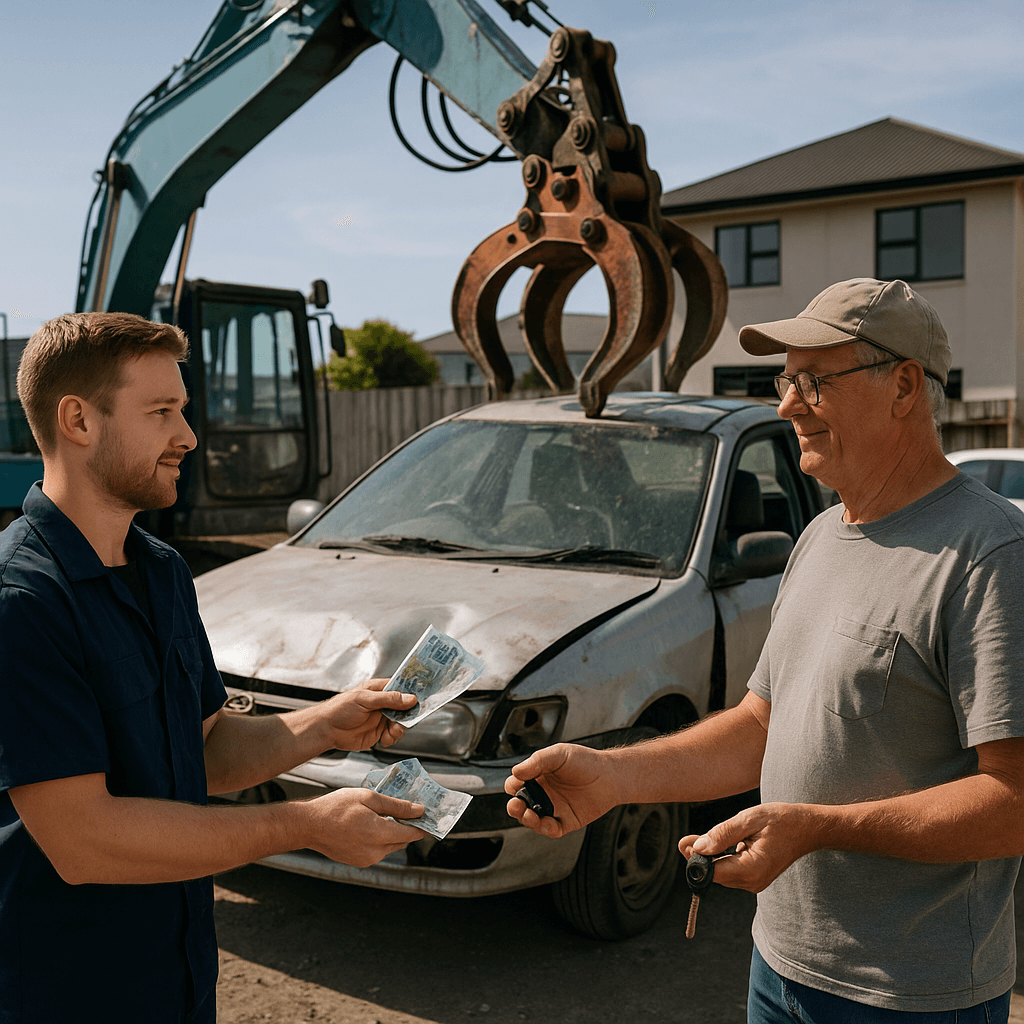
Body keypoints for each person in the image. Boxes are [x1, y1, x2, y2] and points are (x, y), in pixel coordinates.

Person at [506, 278, 1024, 1022]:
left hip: (912, 998)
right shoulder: (819, 537)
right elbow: (761, 724)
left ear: (904, 386)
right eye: (787, 380)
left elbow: (1013, 801)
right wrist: (612, 776)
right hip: (778, 968)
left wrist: (817, 828)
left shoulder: (990, 554)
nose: (787, 406)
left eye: (814, 381)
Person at [0, 312, 426, 1024]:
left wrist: (326, 725)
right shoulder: (22, 602)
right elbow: (82, 840)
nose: (189, 436)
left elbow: (205, 751)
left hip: (177, 980)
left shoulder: (162, 570)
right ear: (78, 420)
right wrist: (304, 824)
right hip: (63, 994)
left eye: (183, 410)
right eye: (161, 411)